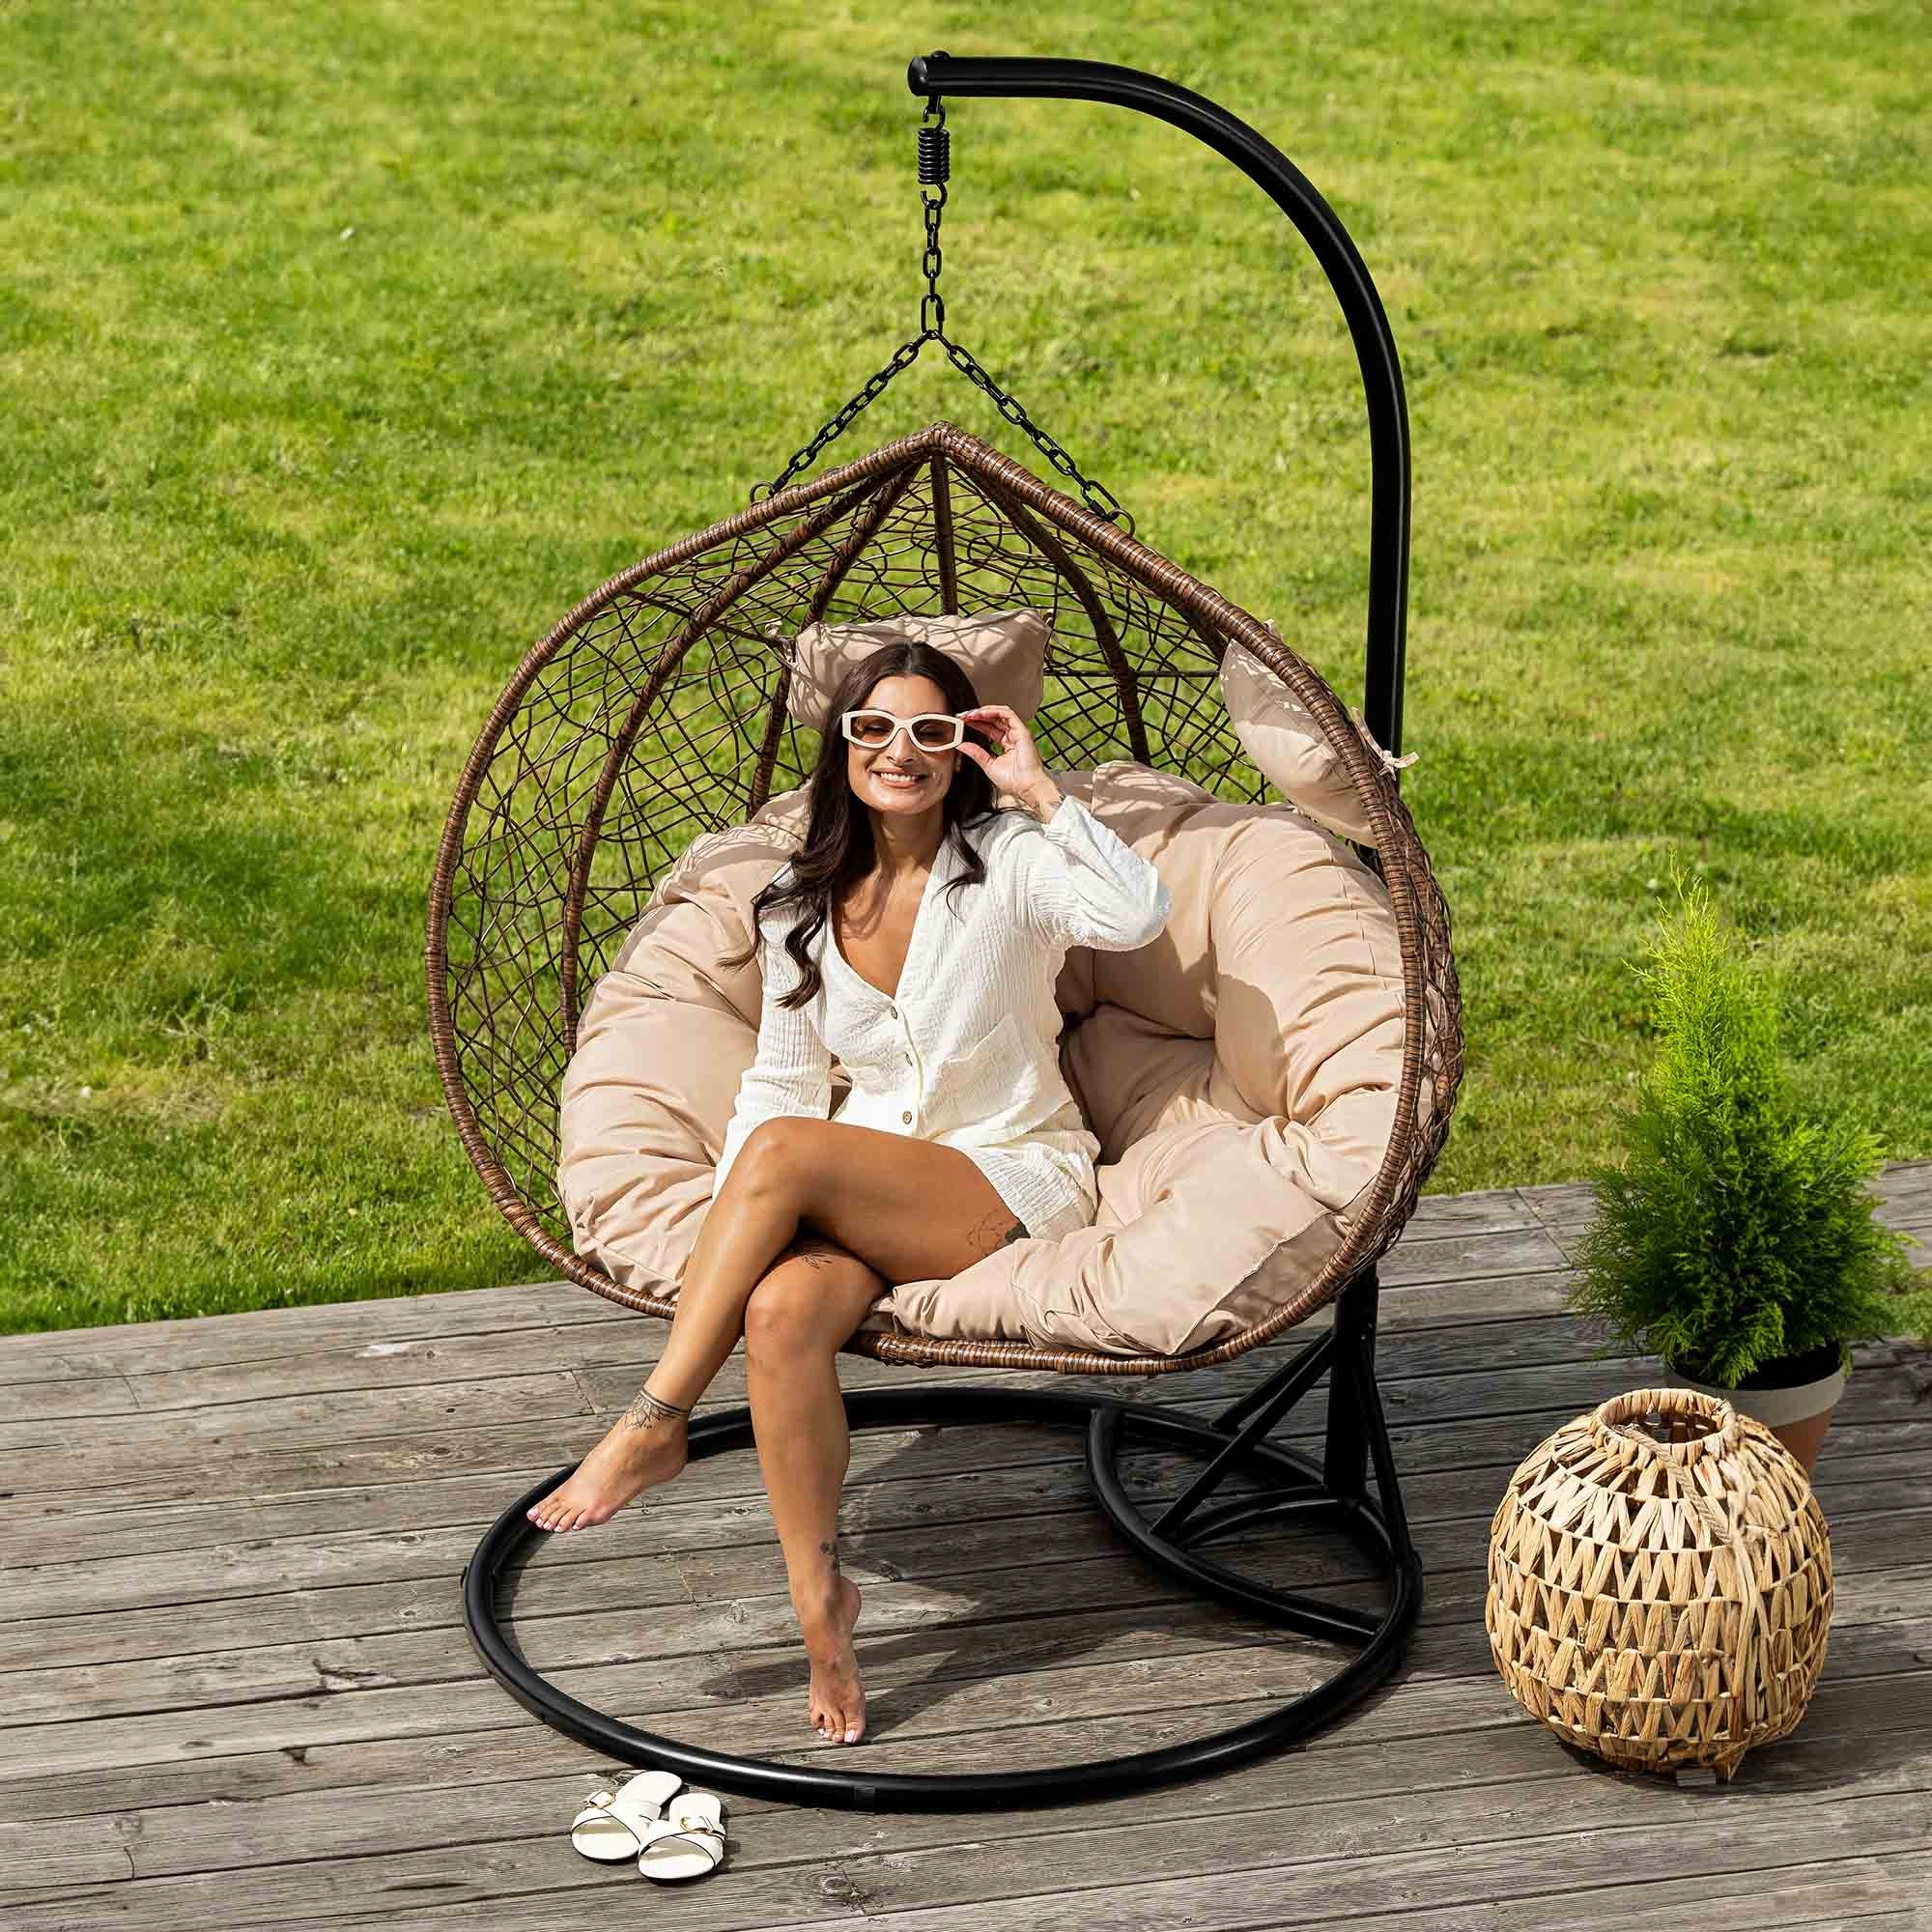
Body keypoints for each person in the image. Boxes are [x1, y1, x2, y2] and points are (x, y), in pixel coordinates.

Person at [527, 638, 1173, 1749]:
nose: (899, 751)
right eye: (873, 727)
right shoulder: (799, 902)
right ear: (840, 743)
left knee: (786, 1149)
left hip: (1008, 1172)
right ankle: (820, 1600)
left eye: (931, 730)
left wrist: (1038, 788)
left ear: (963, 748)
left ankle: (654, 1419)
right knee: (779, 1310)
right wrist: (738, 1237)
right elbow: (778, 1083)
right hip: (867, 1180)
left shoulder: (1012, 861)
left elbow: (1135, 916)